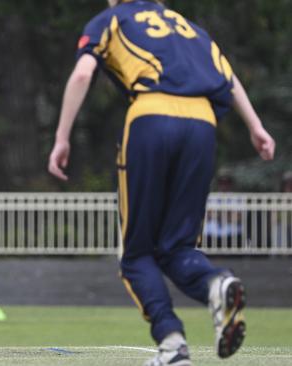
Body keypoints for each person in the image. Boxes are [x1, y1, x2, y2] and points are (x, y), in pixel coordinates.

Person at [47, 1, 275, 365]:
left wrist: (62, 137)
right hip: (202, 123)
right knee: (178, 248)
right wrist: (256, 126)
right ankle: (216, 284)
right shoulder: (189, 28)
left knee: (137, 255)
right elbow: (228, 77)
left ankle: (172, 343)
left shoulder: (112, 18)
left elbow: (81, 75)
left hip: (151, 116)